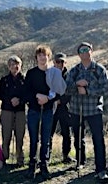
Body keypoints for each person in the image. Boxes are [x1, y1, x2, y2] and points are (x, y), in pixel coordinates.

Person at [65, 42, 108, 182]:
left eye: (87, 49)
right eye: (81, 50)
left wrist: (88, 89)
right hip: (76, 109)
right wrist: (78, 85)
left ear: (92, 51)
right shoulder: (74, 71)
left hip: (94, 109)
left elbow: (106, 89)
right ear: (79, 54)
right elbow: (66, 89)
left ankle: (101, 169)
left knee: (98, 139)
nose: (84, 52)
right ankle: (80, 162)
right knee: (78, 137)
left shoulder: (99, 70)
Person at [24, 45, 64, 179]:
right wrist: (37, 96)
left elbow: (59, 92)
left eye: (45, 55)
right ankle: (32, 164)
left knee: (46, 139)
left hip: (48, 110)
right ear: (36, 58)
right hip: (34, 110)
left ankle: (44, 164)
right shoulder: (31, 73)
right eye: (40, 55)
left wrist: (47, 98)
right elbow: (26, 93)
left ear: (49, 57)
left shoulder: (55, 73)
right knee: (34, 139)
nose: (42, 57)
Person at [49, 52, 83, 164]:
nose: (60, 64)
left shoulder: (70, 75)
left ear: (65, 62)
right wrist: (54, 100)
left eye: (62, 62)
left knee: (66, 133)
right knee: (49, 133)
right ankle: (46, 157)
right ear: (54, 62)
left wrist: (61, 101)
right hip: (52, 107)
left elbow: (71, 92)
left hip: (65, 107)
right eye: (57, 61)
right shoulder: (49, 74)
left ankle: (66, 155)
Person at [0, 55, 26, 167]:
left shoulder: (24, 80)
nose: (15, 67)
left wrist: (20, 100)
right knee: (6, 135)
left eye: (17, 64)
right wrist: (10, 100)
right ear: (9, 67)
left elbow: (28, 94)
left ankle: (20, 159)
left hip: (20, 111)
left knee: (20, 136)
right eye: (12, 64)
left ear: (20, 65)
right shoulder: (4, 80)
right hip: (7, 111)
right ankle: (3, 157)